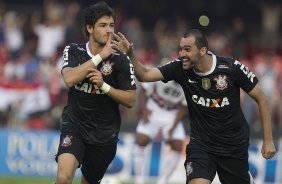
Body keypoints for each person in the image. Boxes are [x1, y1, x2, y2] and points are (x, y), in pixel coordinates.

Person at [113, 29, 276, 184]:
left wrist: (268, 140)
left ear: (202, 50)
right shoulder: (180, 68)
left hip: (232, 146)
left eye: (187, 49)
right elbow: (145, 75)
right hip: (201, 146)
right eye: (181, 49)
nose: (182, 54)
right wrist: (130, 54)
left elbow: (261, 98)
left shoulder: (230, 68)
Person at [55, 2, 136, 184]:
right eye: (103, 25)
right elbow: (69, 79)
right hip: (74, 126)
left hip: (104, 135)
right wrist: (100, 56)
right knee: (63, 179)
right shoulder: (74, 50)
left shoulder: (121, 60)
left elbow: (131, 100)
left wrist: (104, 86)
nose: (109, 30)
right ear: (89, 28)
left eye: (111, 25)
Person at [134, 80, 187, 184]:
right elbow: (144, 89)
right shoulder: (163, 72)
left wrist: (174, 126)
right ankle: (138, 179)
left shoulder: (187, 80)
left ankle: (163, 181)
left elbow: (184, 106)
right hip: (154, 107)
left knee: (177, 144)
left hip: (172, 113)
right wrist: (144, 111)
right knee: (142, 140)